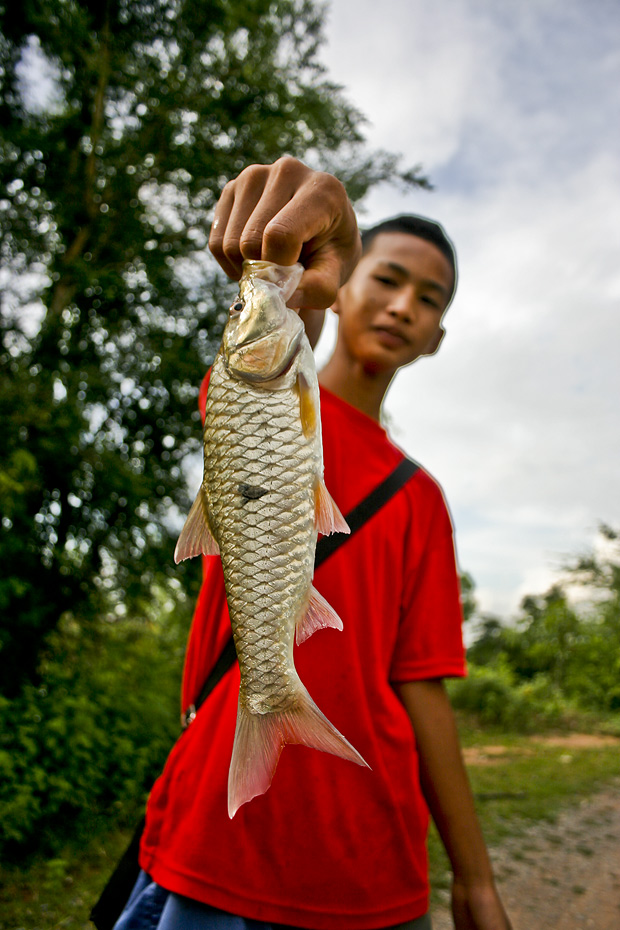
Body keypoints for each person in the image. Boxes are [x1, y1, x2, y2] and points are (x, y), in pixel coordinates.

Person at [114, 157, 512, 930]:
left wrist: (475, 880)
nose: (402, 307)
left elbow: (422, 686)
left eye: (427, 301)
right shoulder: (247, 389)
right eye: (385, 279)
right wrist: (302, 256)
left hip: (371, 855)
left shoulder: (421, 499)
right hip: (219, 839)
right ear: (345, 283)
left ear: (436, 337)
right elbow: (278, 317)